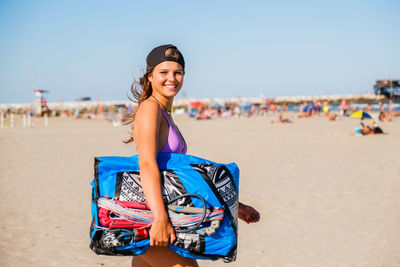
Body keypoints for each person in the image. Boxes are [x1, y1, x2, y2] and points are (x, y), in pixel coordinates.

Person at [125, 44, 260, 267]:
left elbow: (182, 178)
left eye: (177, 73)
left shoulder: (164, 112)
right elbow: (147, 164)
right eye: (163, 72)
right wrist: (159, 218)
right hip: (156, 215)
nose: (172, 78)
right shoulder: (150, 108)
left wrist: (235, 205)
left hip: (166, 213)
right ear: (150, 77)